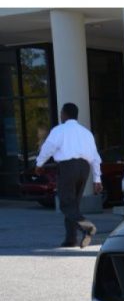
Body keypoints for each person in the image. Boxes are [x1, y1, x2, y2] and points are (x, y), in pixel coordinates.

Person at [35, 103, 103, 248]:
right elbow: (95, 157)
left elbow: (48, 147)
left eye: (61, 113)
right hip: (84, 169)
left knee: (66, 204)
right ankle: (70, 239)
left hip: (67, 168)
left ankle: (87, 227)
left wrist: (39, 164)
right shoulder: (86, 133)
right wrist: (97, 179)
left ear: (65, 114)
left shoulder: (59, 130)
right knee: (73, 205)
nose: (60, 115)